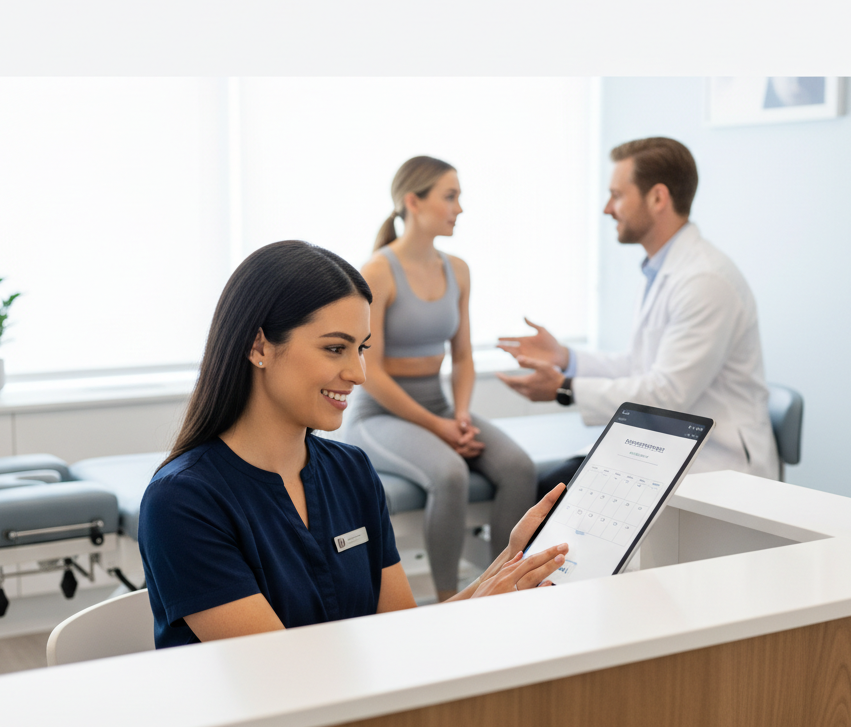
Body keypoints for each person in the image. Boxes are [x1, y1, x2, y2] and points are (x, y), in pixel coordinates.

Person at [138, 240, 568, 648]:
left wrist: (509, 565)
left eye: (361, 349)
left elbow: (400, 635)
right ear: (259, 346)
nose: (359, 373)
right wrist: (478, 608)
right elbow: (285, 674)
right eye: (335, 348)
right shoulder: (183, 501)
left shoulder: (351, 471)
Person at [497, 137, 779, 494]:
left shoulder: (705, 280)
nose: (606, 209)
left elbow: (666, 394)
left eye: (616, 195)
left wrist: (564, 389)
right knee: (549, 488)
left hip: (716, 463)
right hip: (663, 447)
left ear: (658, 198)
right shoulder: (662, 269)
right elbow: (639, 364)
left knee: (551, 496)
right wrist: (566, 360)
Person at [344, 157, 538, 602]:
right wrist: (441, 428)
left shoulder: (459, 269)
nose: (459, 208)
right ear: (413, 201)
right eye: (450, 196)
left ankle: (505, 586)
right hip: (379, 415)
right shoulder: (378, 271)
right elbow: (369, 373)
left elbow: (464, 357)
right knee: (449, 473)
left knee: (517, 467)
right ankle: (452, 601)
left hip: (441, 407)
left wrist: (462, 415)